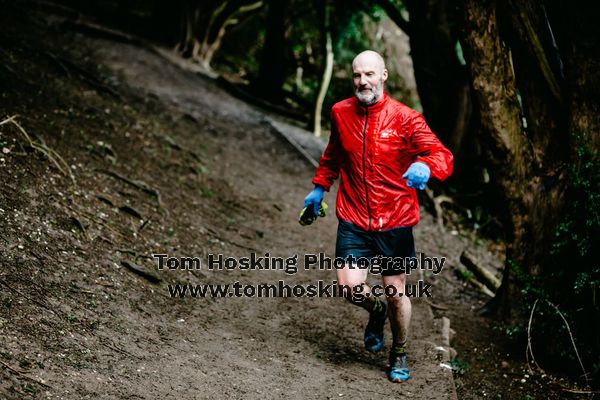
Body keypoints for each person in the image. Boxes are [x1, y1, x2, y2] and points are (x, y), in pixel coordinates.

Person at [304, 50, 453, 383]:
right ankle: (375, 311)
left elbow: (442, 154)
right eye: (357, 75)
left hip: (395, 220)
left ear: (384, 75)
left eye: (370, 74)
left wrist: (425, 165)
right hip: (354, 216)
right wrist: (319, 187)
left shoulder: (406, 118)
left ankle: (399, 350)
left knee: (395, 292)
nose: (363, 81)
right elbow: (333, 154)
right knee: (350, 287)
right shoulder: (341, 112)